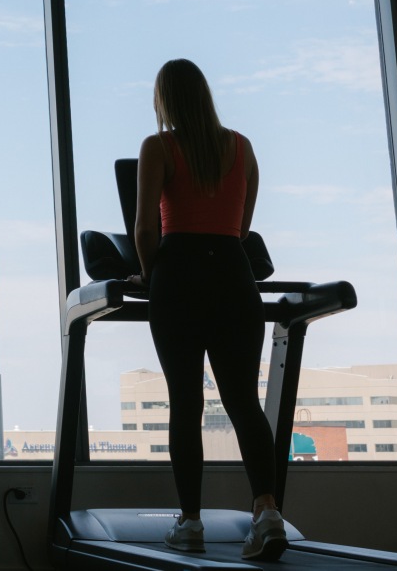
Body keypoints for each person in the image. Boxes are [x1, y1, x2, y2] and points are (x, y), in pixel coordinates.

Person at [128, 58, 283, 560]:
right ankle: (266, 511)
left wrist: (151, 276)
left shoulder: (158, 147)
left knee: (186, 402)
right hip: (234, 277)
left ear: (165, 101)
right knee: (243, 402)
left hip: (179, 275)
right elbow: (240, 230)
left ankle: (190, 521)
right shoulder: (242, 147)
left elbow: (146, 230)